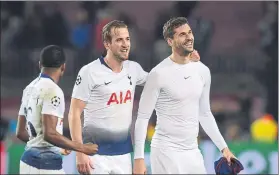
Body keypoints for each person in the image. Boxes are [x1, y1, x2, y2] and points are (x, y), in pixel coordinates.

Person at [68, 20, 201, 174]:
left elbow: (161, 80)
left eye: (127, 39)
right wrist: (79, 152)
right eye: (119, 40)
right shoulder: (89, 72)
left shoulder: (133, 69)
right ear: (107, 44)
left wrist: (184, 61)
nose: (125, 44)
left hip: (123, 155)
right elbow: (74, 113)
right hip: (95, 155)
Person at [133, 17, 236, 174]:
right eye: (182, 34)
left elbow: (205, 113)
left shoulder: (202, 71)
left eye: (190, 32)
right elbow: (142, 118)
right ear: (170, 41)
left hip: (192, 150)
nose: (189, 37)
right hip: (165, 151)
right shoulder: (158, 74)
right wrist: (139, 158)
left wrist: (224, 148)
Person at [16, 45, 98, 174]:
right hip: (45, 166)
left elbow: (20, 132)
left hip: (27, 163)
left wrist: (58, 148)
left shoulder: (29, 88)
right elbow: (50, 134)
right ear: (63, 67)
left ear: (39, 65)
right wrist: (82, 148)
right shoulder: (53, 91)